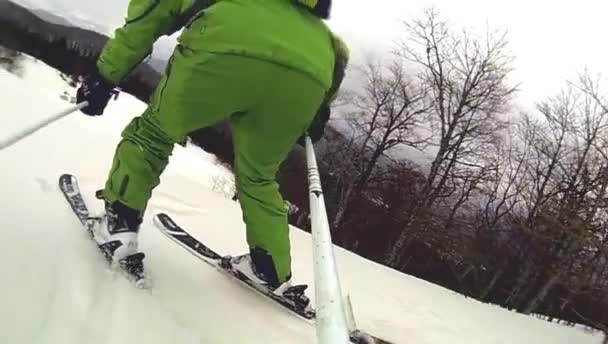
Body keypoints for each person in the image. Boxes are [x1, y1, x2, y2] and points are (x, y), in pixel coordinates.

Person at [76, 0, 349, 302]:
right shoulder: (324, 37)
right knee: (259, 176)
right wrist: (316, 111)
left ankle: (119, 226)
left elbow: (151, 13)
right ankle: (269, 268)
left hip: (225, 46)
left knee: (154, 134)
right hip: (309, 75)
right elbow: (338, 62)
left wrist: (105, 74)